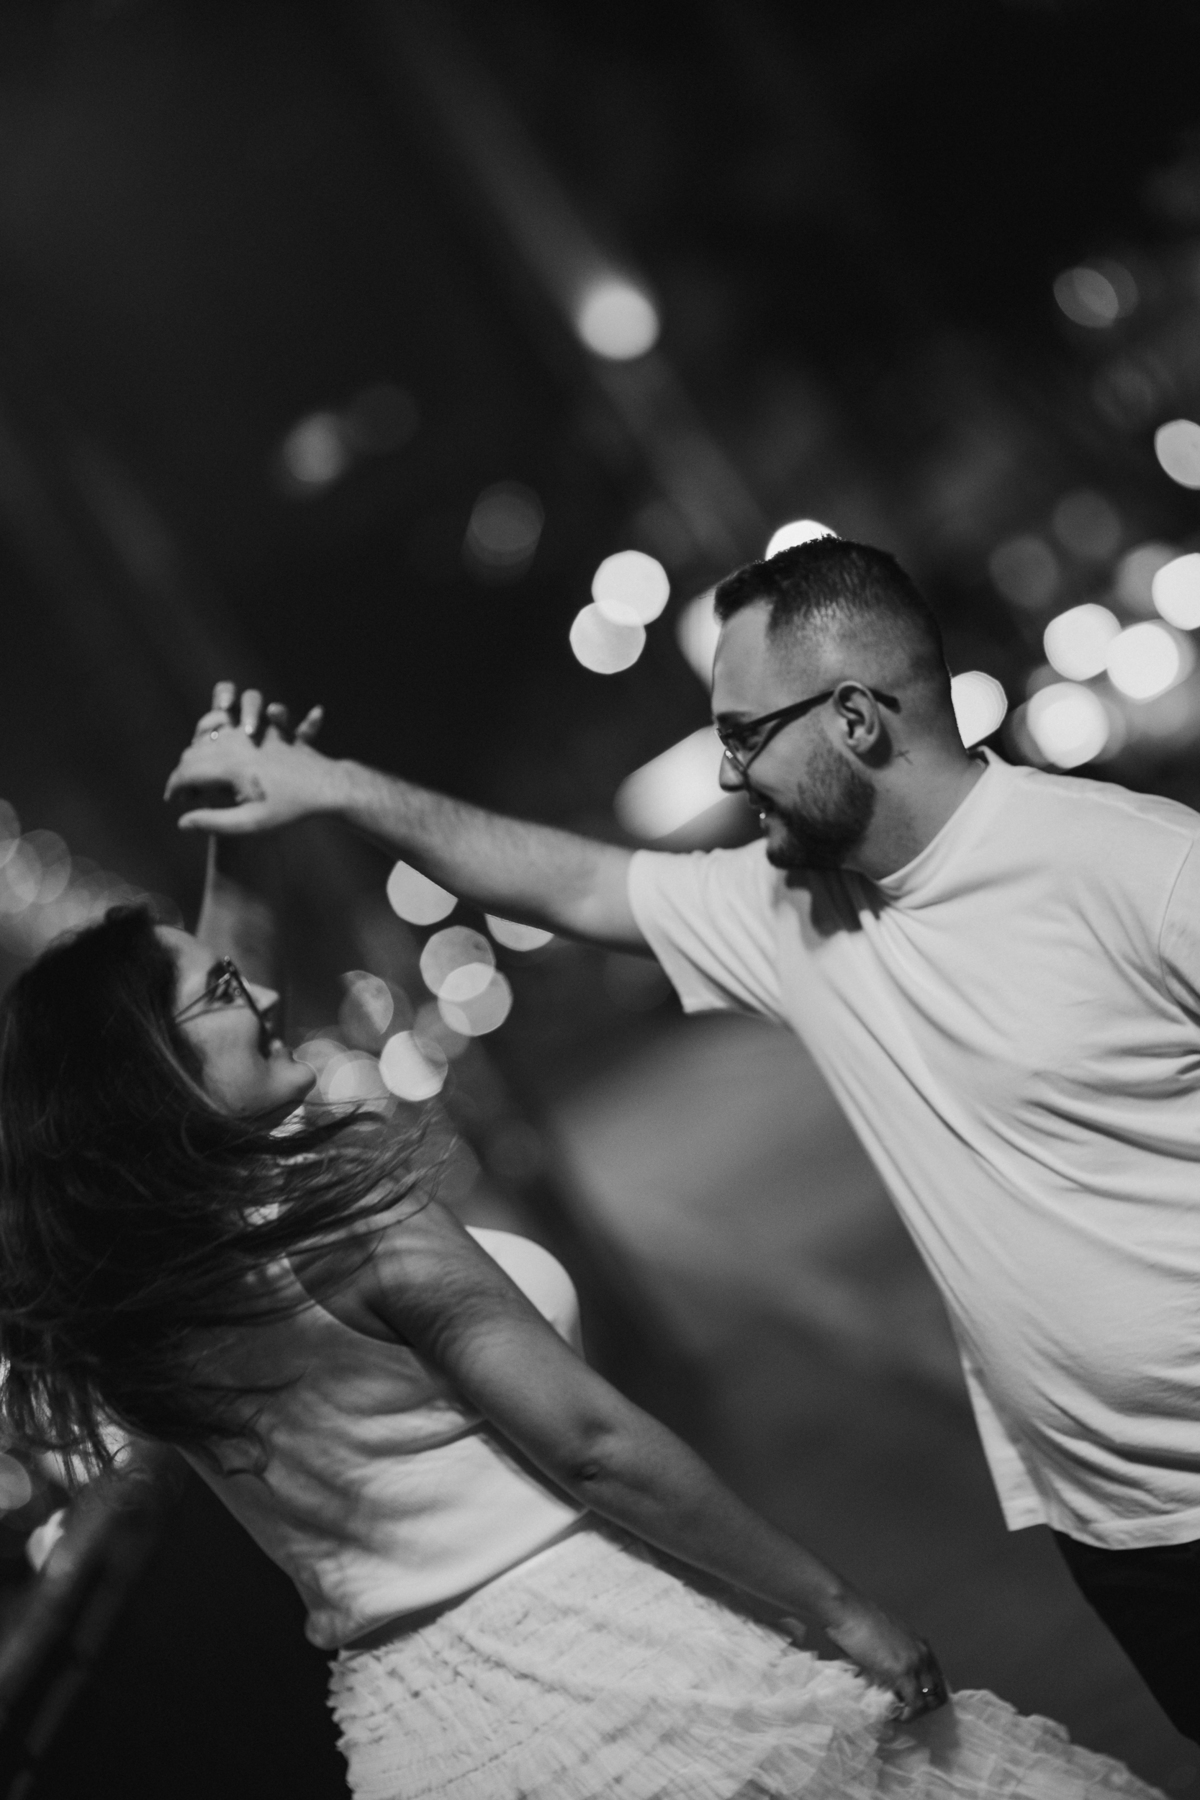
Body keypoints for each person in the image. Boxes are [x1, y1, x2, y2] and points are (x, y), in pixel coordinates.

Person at [162, 537, 1200, 1750]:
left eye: (746, 734)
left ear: (855, 717)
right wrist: (334, 787)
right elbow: (575, 885)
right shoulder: (798, 912)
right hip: (1113, 1529)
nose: (728, 768)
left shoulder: (1136, 867)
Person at [0, 745, 1164, 1798]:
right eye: (221, 993)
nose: (258, 991)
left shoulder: (141, 1296)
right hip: (610, 1672)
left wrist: (234, 839)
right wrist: (838, 1605)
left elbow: (197, 1014)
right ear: (152, 1076)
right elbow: (592, 1446)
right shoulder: (344, 1219)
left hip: (420, 1732)